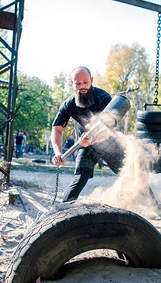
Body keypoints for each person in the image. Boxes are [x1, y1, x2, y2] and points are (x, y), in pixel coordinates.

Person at [51, 66, 126, 202]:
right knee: (79, 177)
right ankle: (62, 210)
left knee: (129, 173)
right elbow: (57, 129)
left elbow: (110, 128)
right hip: (86, 144)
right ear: (72, 83)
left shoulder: (103, 98)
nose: (82, 86)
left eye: (85, 82)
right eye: (78, 83)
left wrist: (93, 139)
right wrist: (57, 152)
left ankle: (157, 208)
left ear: (91, 80)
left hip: (109, 142)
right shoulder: (69, 104)